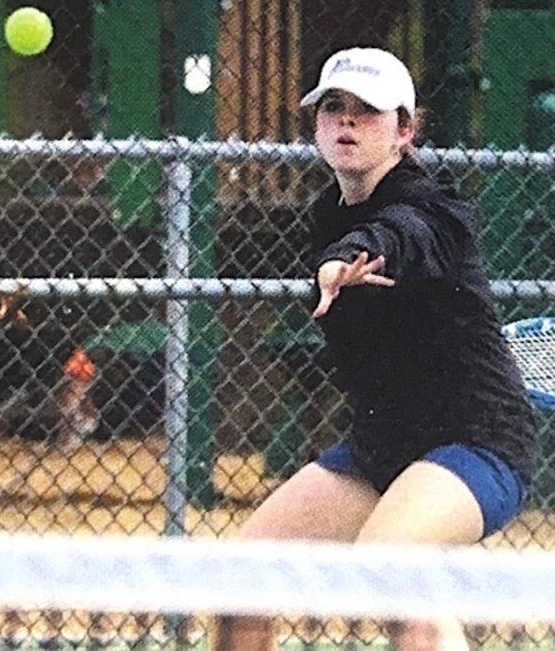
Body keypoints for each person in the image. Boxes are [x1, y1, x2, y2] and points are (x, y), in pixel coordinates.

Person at [213, 47, 537, 651]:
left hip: (477, 442)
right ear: (315, 125)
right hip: (383, 445)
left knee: (387, 570)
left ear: (404, 132)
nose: (348, 121)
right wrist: (333, 254)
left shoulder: (437, 208)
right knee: (241, 582)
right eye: (334, 107)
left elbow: (402, 233)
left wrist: (348, 257)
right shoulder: (324, 215)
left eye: (368, 111)